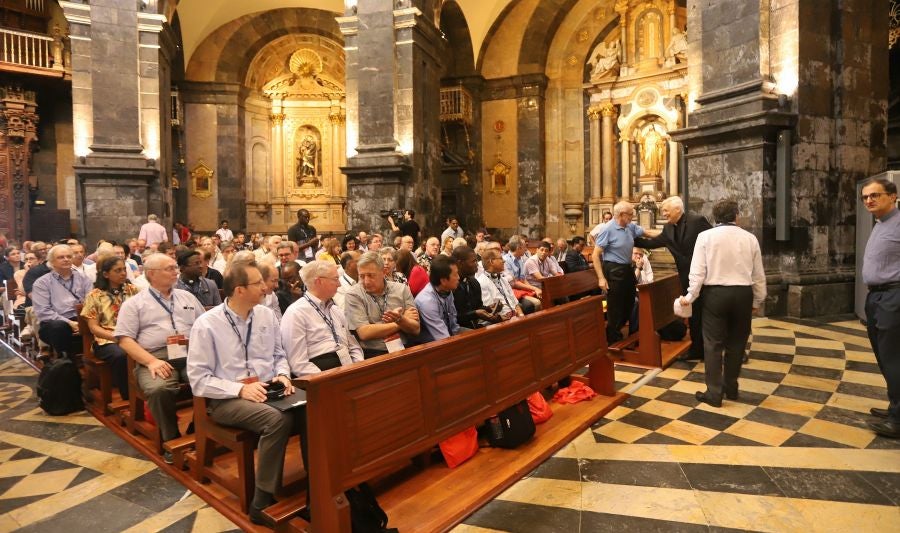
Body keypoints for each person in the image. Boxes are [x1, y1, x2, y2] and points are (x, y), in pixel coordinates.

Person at [187, 261, 298, 524]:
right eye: (258, 283)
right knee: (276, 421)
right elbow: (198, 380)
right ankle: (261, 502)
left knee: (312, 407)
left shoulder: (265, 315)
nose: (265, 287)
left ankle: (316, 487)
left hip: (267, 387)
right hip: (227, 398)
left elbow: (278, 354)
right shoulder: (207, 324)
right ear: (239, 290)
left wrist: (283, 374)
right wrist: (240, 389)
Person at [115, 253, 205, 460]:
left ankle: (197, 428)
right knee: (159, 389)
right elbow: (124, 340)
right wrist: (151, 361)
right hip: (154, 355)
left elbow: (205, 326)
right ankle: (171, 439)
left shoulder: (187, 297)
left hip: (191, 351)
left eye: (175, 267)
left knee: (213, 380)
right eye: (170, 268)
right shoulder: (134, 304)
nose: (177, 271)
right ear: (152, 274)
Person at [679, 199, 765, 408]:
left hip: (715, 295)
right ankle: (731, 387)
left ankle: (714, 393)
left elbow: (697, 271)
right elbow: (758, 274)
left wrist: (690, 296)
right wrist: (757, 299)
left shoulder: (705, 237)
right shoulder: (750, 238)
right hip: (742, 294)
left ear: (715, 217)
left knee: (713, 343)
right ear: (736, 215)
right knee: (737, 343)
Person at [635, 195, 712, 360]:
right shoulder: (668, 228)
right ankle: (697, 349)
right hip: (686, 278)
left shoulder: (697, 221)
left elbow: (714, 243)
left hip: (707, 277)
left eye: (665, 210)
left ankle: (716, 349)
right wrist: (627, 236)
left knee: (710, 315)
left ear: (677, 209)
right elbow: (651, 244)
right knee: (694, 315)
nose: (663, 213)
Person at [859, 177, 900, 438]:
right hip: (877, 297)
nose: (869, 200)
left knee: (894, 357)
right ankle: (895, 405)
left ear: (893, 196)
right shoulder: (880, 223)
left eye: (875, 195)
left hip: (893, 297)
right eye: (865, 197)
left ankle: (898, 420)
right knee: (884, 356)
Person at [281, 260, 364, 376]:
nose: (339, 284)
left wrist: (359, 368)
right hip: (323, 377)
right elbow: (298, 363)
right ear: (319, 281)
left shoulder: (335, 310)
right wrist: (326, 380)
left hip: (349, 370)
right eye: (335, 279)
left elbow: (353, 346)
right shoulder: (296, 313)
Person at [81, 255, 140, 400]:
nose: (123, 273)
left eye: (124, 269)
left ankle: (146, 391)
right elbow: (94, 328)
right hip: (107, 340)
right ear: (106, 274)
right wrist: (118, 338)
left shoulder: (133, 290)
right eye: (117, 270)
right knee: (122, 355)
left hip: (134, 335)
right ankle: (130, 399)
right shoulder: (95, 295)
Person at [344, 252, 420, 358]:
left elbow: (415, 329)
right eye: (361, 276)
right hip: (373, 353)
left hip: (404, 348)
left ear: (384, 272)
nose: (366, 281)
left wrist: (401, 321)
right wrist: (401, 321)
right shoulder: (353, 294)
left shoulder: (402, 289)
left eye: (371, 275)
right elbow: (364, 333)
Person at [593, 200, 644, 343]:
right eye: (630, 214)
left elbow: (646, 232)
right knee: (615, 306)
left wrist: (668, 234)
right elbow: (596, 255)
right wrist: (601, 278)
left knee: (630, 302)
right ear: (622, 214)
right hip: (613, 270)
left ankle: (614, 331)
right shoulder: (607, 229)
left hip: (626, 269)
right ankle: (612, 338)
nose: (632, 217)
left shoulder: (629, 227)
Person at [31, 244, 94, 357]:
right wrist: (69, 323)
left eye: (69, 257)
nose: (66, 259)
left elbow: (92, 302)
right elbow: (43, 312)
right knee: (59, 327)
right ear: (51, 261)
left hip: (82, 317)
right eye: (61, 257)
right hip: (55, 322)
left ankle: (94, 360)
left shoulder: (83, 278)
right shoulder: (42, 283)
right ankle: (67, 362)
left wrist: (85, 320)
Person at [415, 255, 461, 343]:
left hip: (449, 334)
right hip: (431, 344)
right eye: (455, 274)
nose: (459, 277)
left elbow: (453, 323)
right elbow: (442, 337)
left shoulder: (447, 290)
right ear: (443, 280)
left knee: (479, 339)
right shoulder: (427, 301)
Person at [451, 246, 500, 329]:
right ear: (460, 263)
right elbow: (453, 318)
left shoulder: (474, 282)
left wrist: (489, 308)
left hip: (475, 327)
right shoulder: (451, 286)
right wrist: (475, 314)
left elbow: (477, 307)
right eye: (473, 261)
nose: (477, 264)